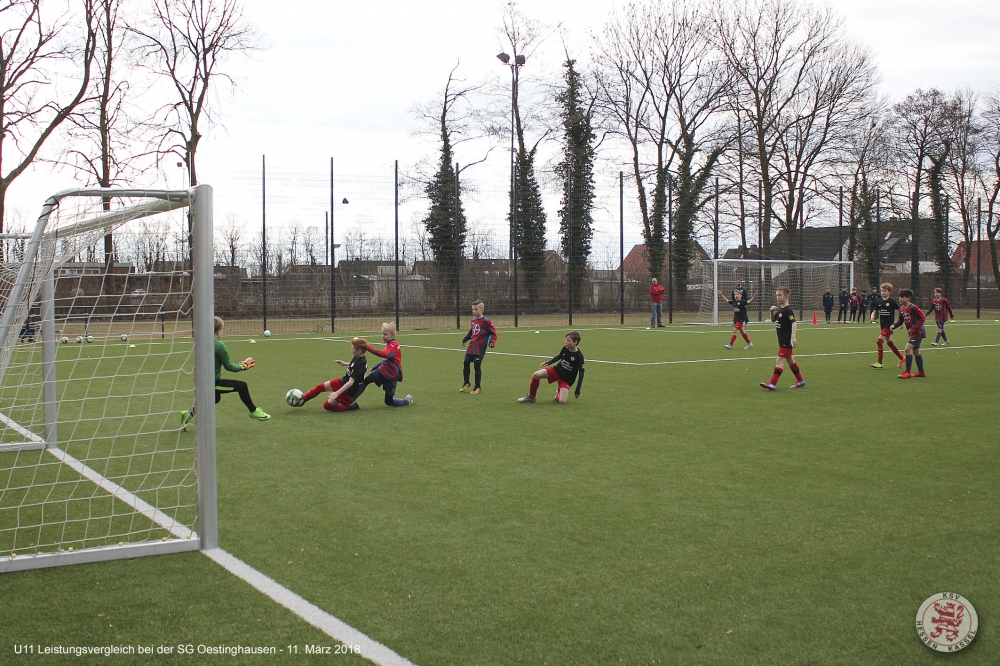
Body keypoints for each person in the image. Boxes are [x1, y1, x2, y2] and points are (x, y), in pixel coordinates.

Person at [180, 317, 270, 429]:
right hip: (212, 383)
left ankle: (187, 414)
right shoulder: (219, 346)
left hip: (201, 380)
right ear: (218, 331)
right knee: (242, 386)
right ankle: (253, 411)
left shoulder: (200, 343)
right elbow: (229, 366)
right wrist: (243, 366)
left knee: (216, 398)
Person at [297, 337, 369, 412]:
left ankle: (348, 406)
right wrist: (345, 364)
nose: (351, 351)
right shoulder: (358, 357)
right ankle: (302, 400)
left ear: (359, 351)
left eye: (353, 349)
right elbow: (354, 366)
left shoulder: (360, 364)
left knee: (327, 406)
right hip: (341, 382)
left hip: (346, 393)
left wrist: (336, 393)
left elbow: (350, 382)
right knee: (319, 387)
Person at [517, 331, 585, 404]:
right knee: (536, 375)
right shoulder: (565, 348)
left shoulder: (579, 357)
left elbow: (581, 373)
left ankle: (558, 394)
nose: (566, 342)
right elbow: (559, 356)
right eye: (566, 340)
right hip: (557, 371)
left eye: (568, 341)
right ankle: (531, 397)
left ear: (575, 342)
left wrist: (578, 390)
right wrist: (548, 362)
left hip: (566, 379)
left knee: (562, 401)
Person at [760, 287, 805, 390]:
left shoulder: (788, 311)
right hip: (782, 341)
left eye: (780, 295)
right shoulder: (781, 310)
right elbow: (773, 320)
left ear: (787, 296)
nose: (778, 297)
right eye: (777, 295)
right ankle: (801, 380)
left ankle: (772, 383)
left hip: (786, 341)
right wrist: (771, 312)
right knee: (790, 361)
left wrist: (793, 337)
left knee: (779, 360)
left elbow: (793, 323)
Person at [360, 322, 412, 407]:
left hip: (391, 375)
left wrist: (367, 347)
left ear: (392, 335)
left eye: (385, 334)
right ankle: (349, 401)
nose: (382, 336)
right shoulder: (389, 344)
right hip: (382, 371)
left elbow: (385, 355)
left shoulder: (394, 345)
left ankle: (406, 401)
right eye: (382, 334)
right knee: (366, 381)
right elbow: (386, 360)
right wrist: (376, 366)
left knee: (388, 402)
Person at [460, 300, 498, 394]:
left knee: (477, 366)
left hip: (480, 348)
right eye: (473, 309)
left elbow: (493, 333)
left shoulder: (486, 321)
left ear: (482, 310)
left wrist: (491, 342)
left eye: (476, 309)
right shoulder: (473, 320)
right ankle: (466, 382)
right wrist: (465, 339)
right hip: (472, 346)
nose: (474, 311)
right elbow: (472, 331)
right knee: (466, 363)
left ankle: (477, 387)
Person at [892, 288, 927, 379]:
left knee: (907, 349)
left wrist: (913, 328)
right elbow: (901, 320)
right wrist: (894, 326)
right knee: (916, 352)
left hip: (918, 332)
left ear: (908, 298)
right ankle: (921, 372)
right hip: (913, 333)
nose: (900, 299)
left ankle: (907, 372)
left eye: (902, 297)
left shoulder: (914, 307)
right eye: (899, 297)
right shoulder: (902, 309)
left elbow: (922, 318)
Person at [870, 282, 904, 369]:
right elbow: (875, 310)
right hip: (883, 325)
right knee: (890, 343)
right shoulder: (879, 301)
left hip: (889, 326)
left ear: (889, 292)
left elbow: (900, 310)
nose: (883, 292)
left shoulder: (892, 302)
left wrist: (901, 321)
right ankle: (902, 357)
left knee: (879, 341)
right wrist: (873, 315)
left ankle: (879, 362)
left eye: (885, 291)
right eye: (882, 291)